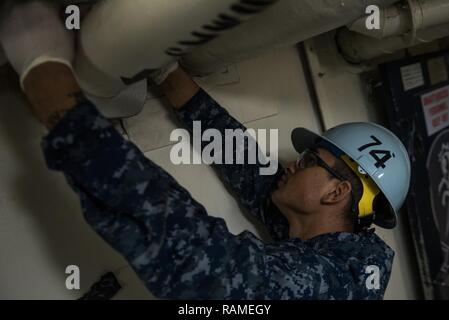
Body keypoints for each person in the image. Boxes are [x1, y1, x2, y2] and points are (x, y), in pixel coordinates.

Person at [0, 1, 410, 299]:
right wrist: (165, 69)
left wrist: (45, 71)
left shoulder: (324, 287)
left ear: (336, 192)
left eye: (307, 161)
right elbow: (245, 164)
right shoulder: (328, 242)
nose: (288, 163)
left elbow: (192, 256)